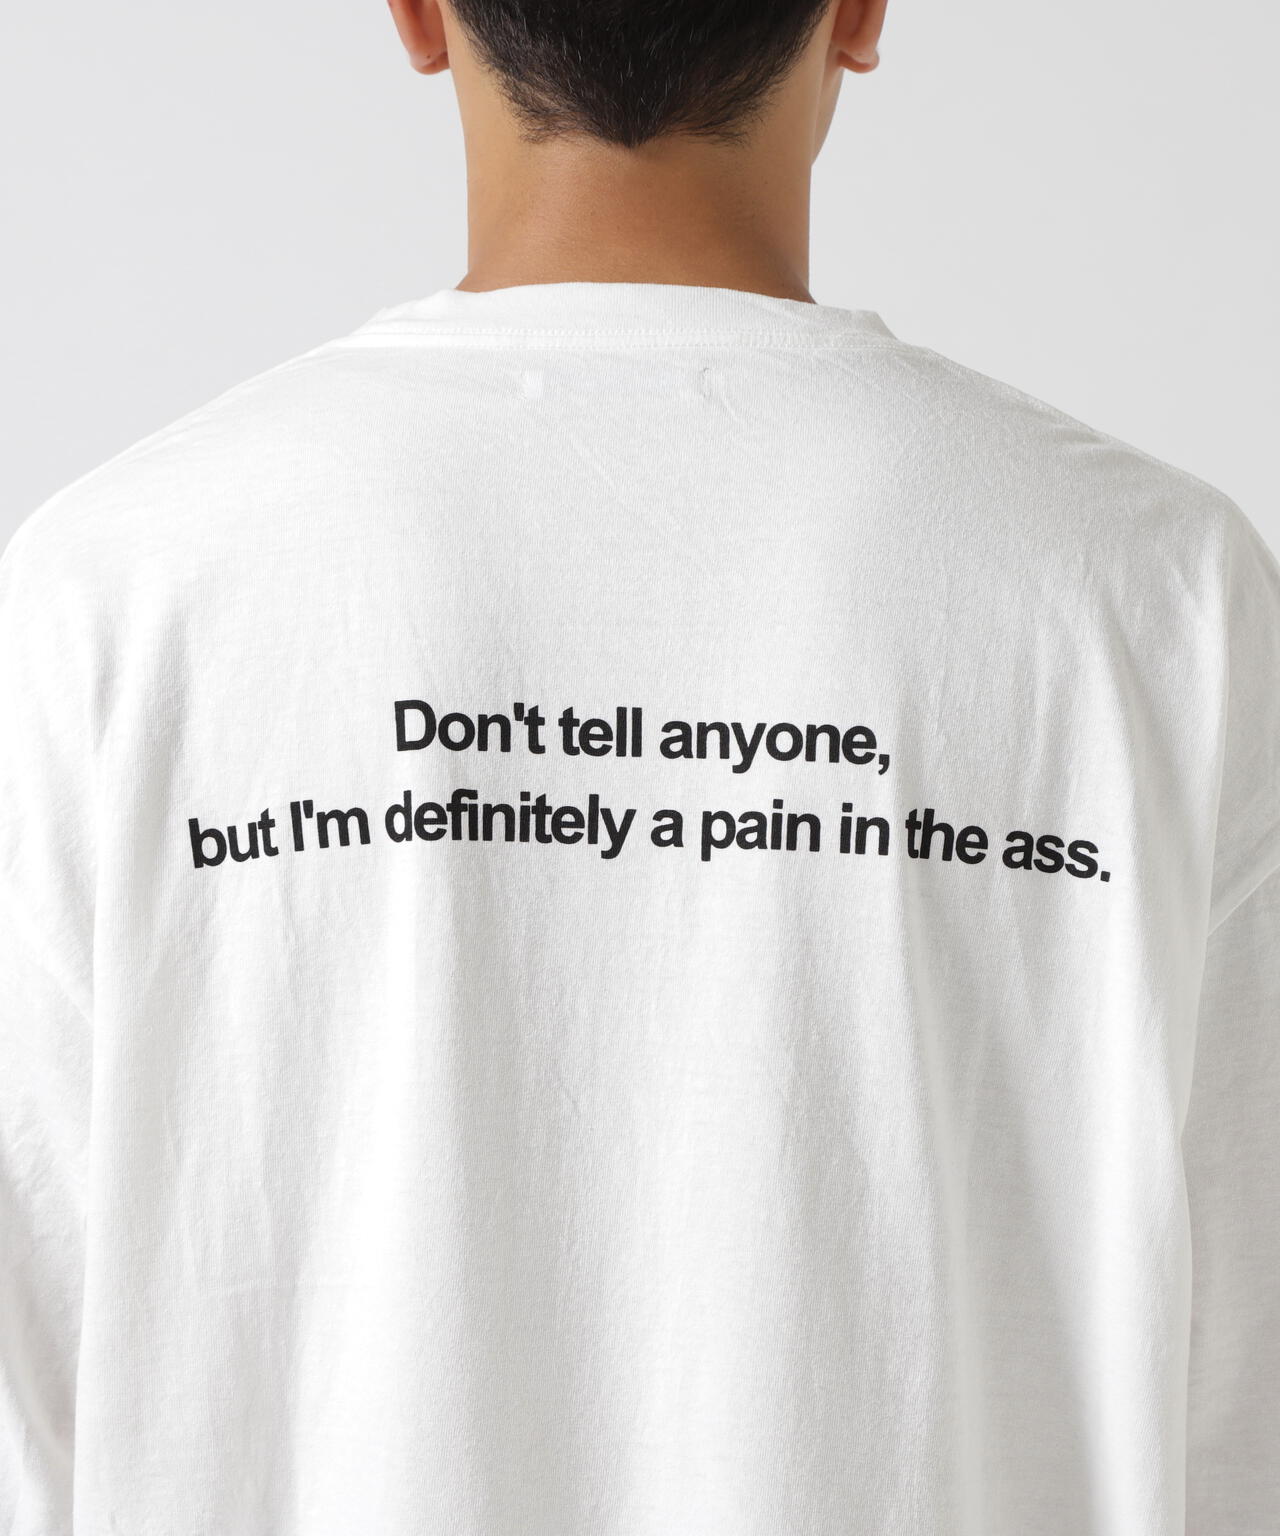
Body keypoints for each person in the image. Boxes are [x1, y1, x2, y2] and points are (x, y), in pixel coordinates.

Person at [1, 0, 1277, 1530]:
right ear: (858, 15)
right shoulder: (1158, 594)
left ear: (417, 16)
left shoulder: (119, 591)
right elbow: (1244, 1387)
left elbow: (30, 1378)